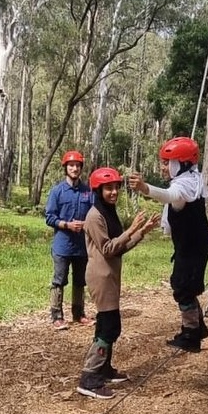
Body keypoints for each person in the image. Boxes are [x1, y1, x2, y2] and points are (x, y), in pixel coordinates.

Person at [77, 167, 160, 399]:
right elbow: (108, 248)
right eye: (108, 188)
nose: (113, 192)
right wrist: (131, 228)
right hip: (100, 277)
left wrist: (141, 231)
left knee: (107, 324)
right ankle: (89, 378)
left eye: (116, 187)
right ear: (98, 190)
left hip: (111, 276)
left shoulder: (108, 213)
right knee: (109, 327)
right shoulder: (94, 216)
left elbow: (120, 248)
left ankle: (104, 369)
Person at [129, 136, 208, 353]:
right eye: (163, 162)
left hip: (193, 245)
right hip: (192, 243)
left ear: (182, 164)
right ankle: (197, 327)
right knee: (184, 284)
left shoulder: (184, 186)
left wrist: (145, 188)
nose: (163, 167)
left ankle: (191, 334)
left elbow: (169, 195)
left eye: (168, 163)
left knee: (183, 287)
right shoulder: (193, 179)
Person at [45, 150, 93, 331]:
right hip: (62, 245)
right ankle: (57, 316)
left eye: (77, 165)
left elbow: (95, 214)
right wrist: (67, 225)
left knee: (80, 280)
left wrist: (86, 223)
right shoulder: (57, 191)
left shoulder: (88, 191)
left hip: (82, 246)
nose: (74, 168)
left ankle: (79, 313)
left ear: (81, 168)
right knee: (59, 280)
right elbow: (49, 217)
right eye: (71, 165)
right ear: (65, 168)